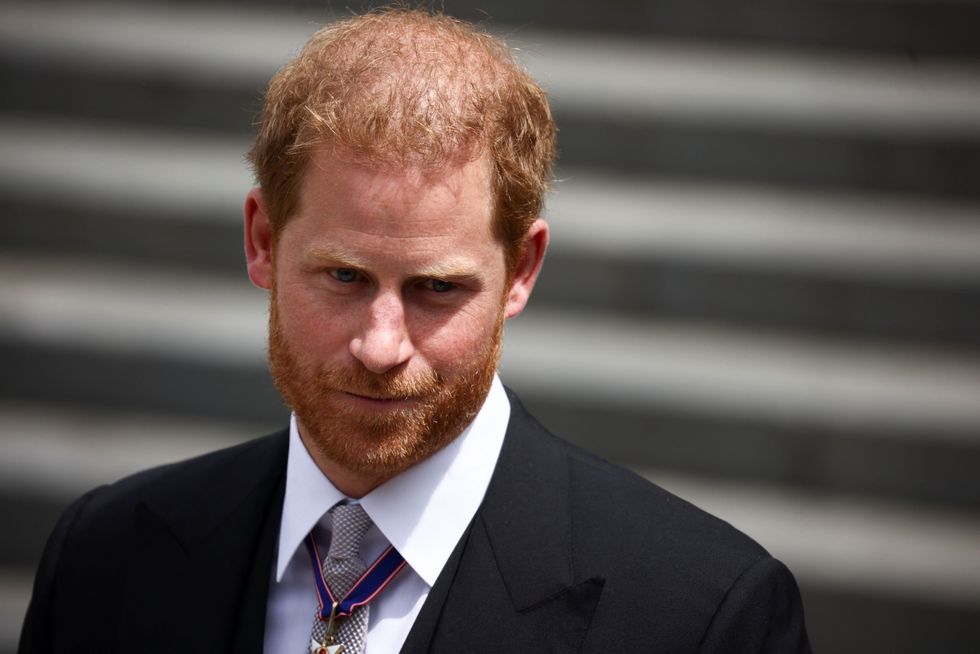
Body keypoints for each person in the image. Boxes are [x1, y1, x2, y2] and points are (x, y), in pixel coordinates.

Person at [19, 8, 810, 653]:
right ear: (262, 241)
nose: (381, 346)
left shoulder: (703, 616)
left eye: (437, 289)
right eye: (343, 277)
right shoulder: (106, 555)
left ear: (522, 270)